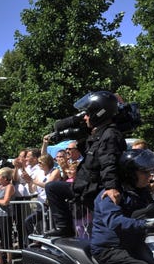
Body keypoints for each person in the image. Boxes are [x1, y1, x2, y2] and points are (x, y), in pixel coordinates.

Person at [44, 91, 127, 237]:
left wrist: (111, 186)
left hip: (95, 190)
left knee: (103, 233)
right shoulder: (98, 134)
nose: (85, 117)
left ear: (99, 114)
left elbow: (109, 161)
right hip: (85, 187)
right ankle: (64, 227)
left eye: (88, 113)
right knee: (52, 187)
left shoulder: (110, 135)